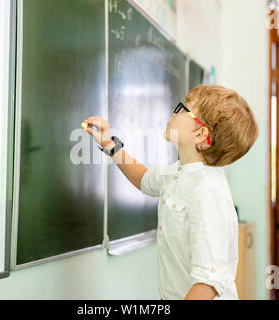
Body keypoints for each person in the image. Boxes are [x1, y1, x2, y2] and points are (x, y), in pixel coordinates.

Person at [82, 84, 259, 300]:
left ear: (201, 134)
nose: (174, 111)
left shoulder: (208, 191)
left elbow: (207, 285)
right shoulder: (180, 171)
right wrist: (110, 145)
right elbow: (144, 179)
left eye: (182, 108)